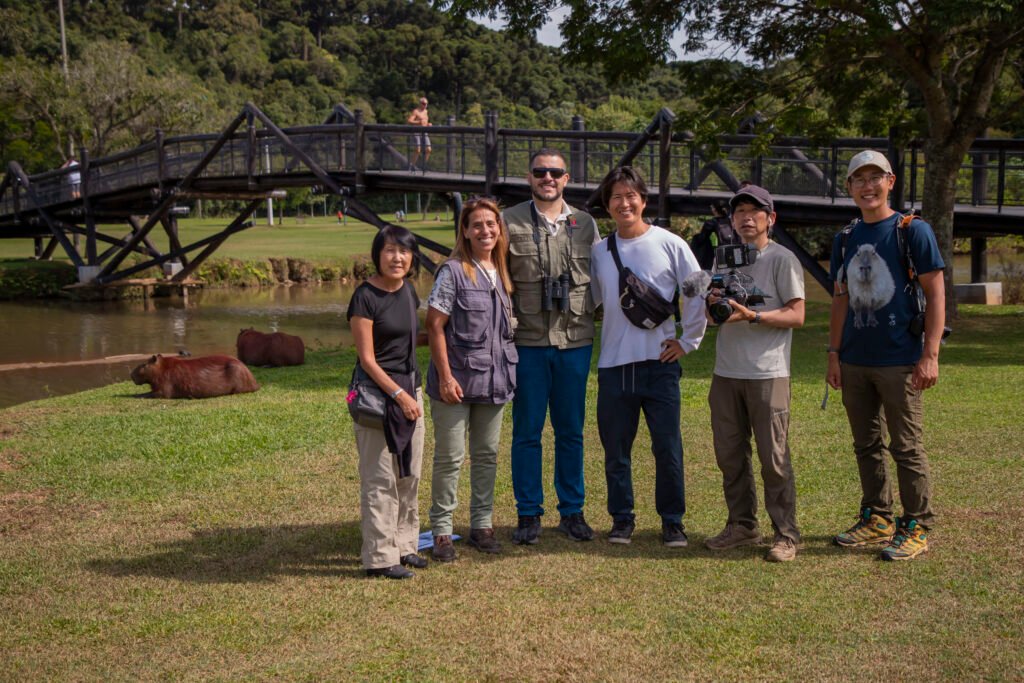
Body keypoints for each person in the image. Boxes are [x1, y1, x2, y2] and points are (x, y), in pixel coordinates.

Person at [827, 150, 945, 561]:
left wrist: (930, 354)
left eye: (875, 177)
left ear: (890, 182)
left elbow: (935, 291)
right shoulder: (845, 238)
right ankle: (877, 516)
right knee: (866, 443)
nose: (867, 185)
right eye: (859, 179)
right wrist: (833, 354)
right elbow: (840, 300)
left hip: (900, 361)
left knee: (906, 446)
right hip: (856, 360)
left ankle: (916, 524)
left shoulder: (912, 230)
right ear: (849, 188)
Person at [590, 166, 707, 546]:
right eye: (616, 197)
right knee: (616, 451)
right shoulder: (599, 252)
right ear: (607, 206)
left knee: (667, 447)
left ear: (643, 200)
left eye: (631, 196)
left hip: (660, 364)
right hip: (613, 364)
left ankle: (672, 520)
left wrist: (688, 341)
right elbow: (592, 301)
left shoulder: (670, 243)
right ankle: (622, 518)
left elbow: (696, 289)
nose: (624, 203)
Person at [703, 185, 805, 562]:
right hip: (726, 370)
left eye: (755, 212)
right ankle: (742, 524)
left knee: (773, 456)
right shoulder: (724, 261)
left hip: (768, 372)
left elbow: (797, 315)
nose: (747, 218)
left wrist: (754, 315)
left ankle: (786, 534)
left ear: (770, 219)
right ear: (732, 220)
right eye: (740, 212)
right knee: (730, 454)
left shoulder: (782, 259)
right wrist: (711, 304)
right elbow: (712, 319)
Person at [503, 148, 600, 545]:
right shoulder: (508, 222)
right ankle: (528, 514)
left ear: (567, 177)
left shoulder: (587, 224)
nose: (548, 178)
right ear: (529, 177)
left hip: (575, 340)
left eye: (555, 172)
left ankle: (572, 511)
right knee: (527, 431)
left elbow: (606, 280)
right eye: (540, 171)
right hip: (527, 341)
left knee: (571, 431)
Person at [425, 197, 518, 562]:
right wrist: (446, 378)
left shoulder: (503, 272)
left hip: (494, 381)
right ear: (464, 231)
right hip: (456, 383)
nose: (485, 231)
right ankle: (442, 531)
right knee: (450, 457)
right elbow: (434, 325)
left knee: (487, 456)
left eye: (491, 224)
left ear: (499, 230)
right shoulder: (452, 272)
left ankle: (482, 525)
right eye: (477, 225)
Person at [347, 225, 428, 579]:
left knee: (408, 473)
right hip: (378, 395)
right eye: (390, 250)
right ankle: (380, 557)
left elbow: (410, 341)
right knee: (380, 478)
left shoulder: (409, 290)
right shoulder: (364, 297)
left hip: (412, 389)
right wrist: (399, 396)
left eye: (405, 251)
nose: (398, 258)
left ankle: (405, 545)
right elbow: (367, 359)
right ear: (378, 254)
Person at [689, 200, 736, 269]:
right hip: (735, 249)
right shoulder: (732, 221)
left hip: (721, 253)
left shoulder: (711, 223)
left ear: (714, 210)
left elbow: (702, 238)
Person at [406, 97, 431, 171]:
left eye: (426, 104)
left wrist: (428, 124)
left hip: (424, 131)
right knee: (418, 149)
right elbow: (409, 121)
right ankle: (412, 166)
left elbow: (425, 122)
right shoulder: (416, 111)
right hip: (416, 131)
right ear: (420, 104)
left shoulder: (426, 111)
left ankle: (423, 165)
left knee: (429, 149)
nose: (425, 105)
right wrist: (418, 122)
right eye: (423, 104)